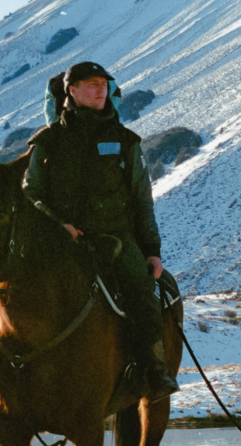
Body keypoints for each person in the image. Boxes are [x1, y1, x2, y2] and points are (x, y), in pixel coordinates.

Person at [22, 60, 178, 402]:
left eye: (103, 83)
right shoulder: (47, 142)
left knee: (143, 294)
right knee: (12, 288)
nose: (101, 88)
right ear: (71, 91)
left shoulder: (125, 141)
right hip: (62, 241)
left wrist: (151, 250)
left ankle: (152, 369)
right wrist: (58, 225)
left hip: (116, 240)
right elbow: (30, 193)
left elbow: (141, 198)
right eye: (91, 83)